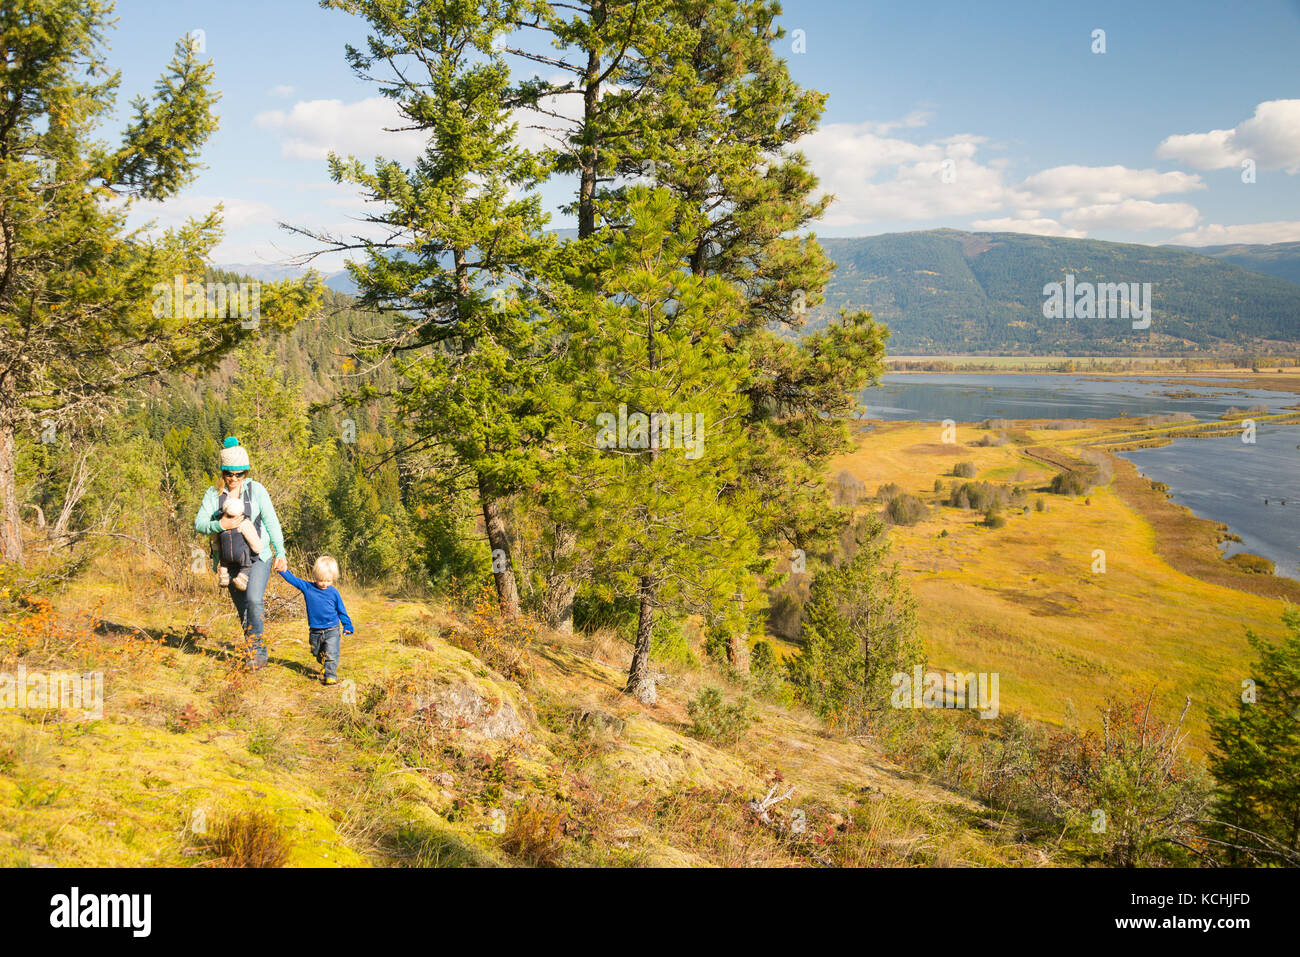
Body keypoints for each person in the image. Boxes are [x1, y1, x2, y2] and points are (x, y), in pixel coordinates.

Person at [194, 437, 287, 669]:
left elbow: (271, 521)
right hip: (229, 560)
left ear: (245, 473)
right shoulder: (213, 495)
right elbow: (199, 523)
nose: (234, 479)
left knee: (254, 600)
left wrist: (280, 552)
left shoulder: (256, 491)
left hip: (258, 557)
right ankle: (252, 650)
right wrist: (221, 526)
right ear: (222, 472)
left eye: (239, 474)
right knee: (244, 608)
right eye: (229, 473)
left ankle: (258, 656)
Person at [278, 555, 354, 685]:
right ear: (315, 576)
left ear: (333, 578)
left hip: (332, 629)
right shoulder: (308, 587)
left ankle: (330, 675)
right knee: (317, 652)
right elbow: (293, 580)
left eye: (328, 580)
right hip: (315, 630)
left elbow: (341, 610)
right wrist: (282, 570)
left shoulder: (334, 592)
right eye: (321, 580)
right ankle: (324, 663)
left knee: (332, 653)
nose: (324, 584)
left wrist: (347, 625)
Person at [216, 494, 264, 591]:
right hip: (240, 555)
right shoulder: (243, 522)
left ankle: (224, 576)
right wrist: (258, 549)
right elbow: (255, 542)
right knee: (247, 565)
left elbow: (214, 540)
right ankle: (241, 578)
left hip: (225, 556)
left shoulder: (220, 523)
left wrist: (216, 550)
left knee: (224, 564)